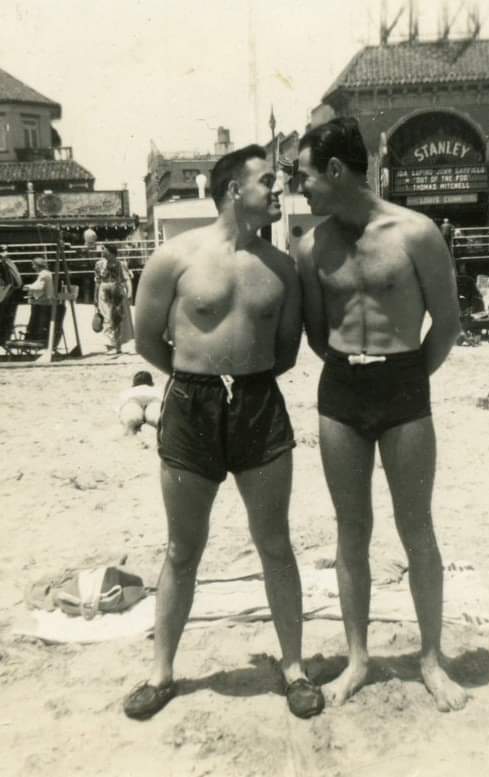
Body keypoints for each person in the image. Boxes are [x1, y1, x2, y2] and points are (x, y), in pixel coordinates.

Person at [123, 144, 324, 721]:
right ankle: (161, 673)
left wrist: (241, 380)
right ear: (235, 188)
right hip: (191, 405)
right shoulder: (175, 257)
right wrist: (197, 380)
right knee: (182, 548)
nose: (277, 189)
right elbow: (146, 341)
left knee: (276, 544)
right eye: (267, 181)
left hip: (260, 404)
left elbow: (285, 351)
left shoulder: (281, 268)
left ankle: (294, 669)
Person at [296, 117, 467, 712]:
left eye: (306, 175)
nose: (302, 187)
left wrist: (407, 377)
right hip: (341, 391)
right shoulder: (311, 245)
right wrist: (358, 368)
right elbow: (319, 336)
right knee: (351, 530)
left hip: (403, 387)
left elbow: (447, 325)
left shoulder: (415, 233)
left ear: (336, 171)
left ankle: (430, 659)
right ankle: (358, 658)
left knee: (415, 526)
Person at [94, 244, 134, 353]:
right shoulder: (99, 264)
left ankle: (118, 345)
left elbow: (126, 279)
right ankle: (110, 345)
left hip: (117, 289)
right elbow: (97, 282)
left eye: (104, 249)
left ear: (111, 252)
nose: (102, 251)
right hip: (104, 289)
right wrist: (95, 298)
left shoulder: (121, 264)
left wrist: (130, 292)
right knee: (107, 317)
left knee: (118, 318)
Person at [117, 370, 162, 435]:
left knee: (130, 421)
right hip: (154, 398)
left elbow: (119, 408)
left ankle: (130, 431)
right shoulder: (157, 390)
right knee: (157, 419)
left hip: (132, 399)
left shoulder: (127, 391)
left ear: (133, 385)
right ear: (152, 384)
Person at [22, 256, 55, 343]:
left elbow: (39, 287)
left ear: (38, 265)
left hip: (42, 302)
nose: (33, 267)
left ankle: (33, 338)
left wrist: (28, 287)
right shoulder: (46, 273)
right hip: (44, 301)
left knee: (36, 322)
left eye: (33, 265)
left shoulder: (43, 274)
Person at [0, 245, 22, 343]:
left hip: (5, 293)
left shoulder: (3, 263)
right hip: (11, 293)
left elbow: (9, 282)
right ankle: (4, 338)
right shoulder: (9, 262)